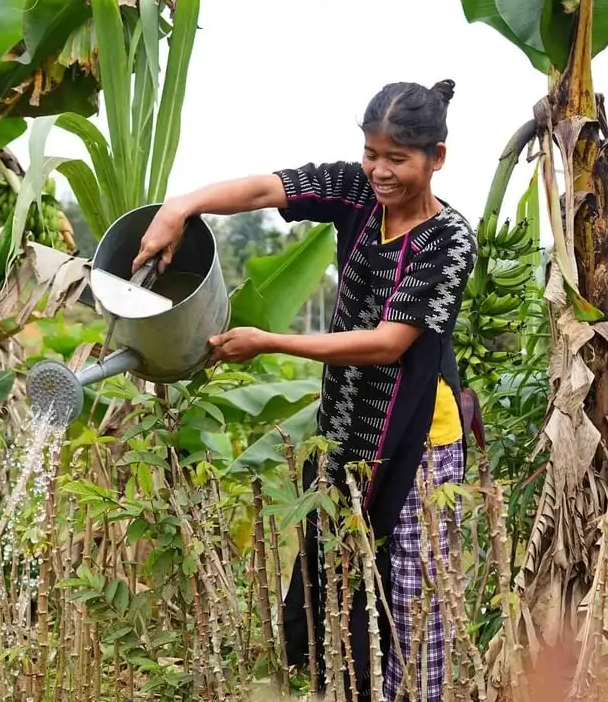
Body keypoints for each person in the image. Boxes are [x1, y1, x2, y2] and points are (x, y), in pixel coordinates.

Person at [132, 78, 474, 702]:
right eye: (372, 153)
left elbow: (388, 343)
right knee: (338, 589)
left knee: (409, 604)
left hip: (418, 437)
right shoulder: (356, 190)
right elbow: (269, 188)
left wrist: (270, 341)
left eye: (397, 158)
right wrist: (182, 205)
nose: (379, 170)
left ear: (436, 159)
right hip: (346, 427)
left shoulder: (449, 241)